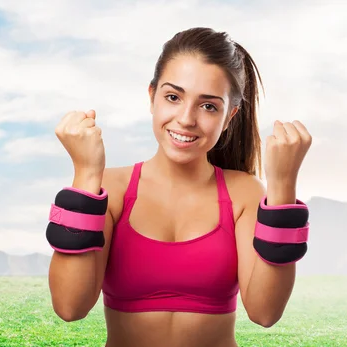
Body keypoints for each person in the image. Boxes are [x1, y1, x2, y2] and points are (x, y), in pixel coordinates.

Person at [46, 27, 312, 347]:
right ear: (152, 97)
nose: (186, 119)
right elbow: (69, 307)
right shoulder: (108, 190)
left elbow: (265, 313)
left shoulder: (245, 194)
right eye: (173, 97)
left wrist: (283, 185)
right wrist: (86, 173)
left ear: (230, 117)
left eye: (209, 106)